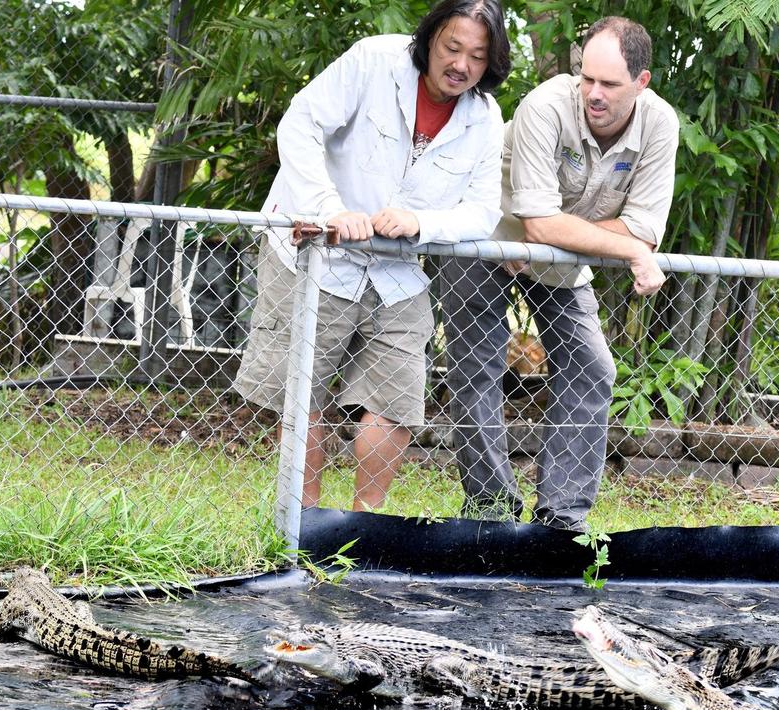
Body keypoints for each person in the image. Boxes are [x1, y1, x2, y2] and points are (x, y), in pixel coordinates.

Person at [233, 0, 511, 511]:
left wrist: (420, 223)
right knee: (303, 395)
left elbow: (482, 211)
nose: (461, 65)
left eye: (476, 56)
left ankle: (363, 528)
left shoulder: (486, 120)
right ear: (429, 38)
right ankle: (303, 526)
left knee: (397, 398)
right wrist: (328, 209)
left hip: (396, 270)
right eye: (452, 48)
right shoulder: (373, 61)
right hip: (310, 252)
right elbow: (300, 124)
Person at [442, 16, 679, 531]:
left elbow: (641, 229)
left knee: (593, 370)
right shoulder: (546, 104)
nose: (593, 93)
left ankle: (561, 518)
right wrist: (617, 246)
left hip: (564, 261)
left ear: (642, 83)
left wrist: (568, 234)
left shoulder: (660, 125)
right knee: (477, 366)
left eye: (609, 84)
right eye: (586, 78)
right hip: (488, 239)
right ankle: (492, 508)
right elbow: (539, 222)